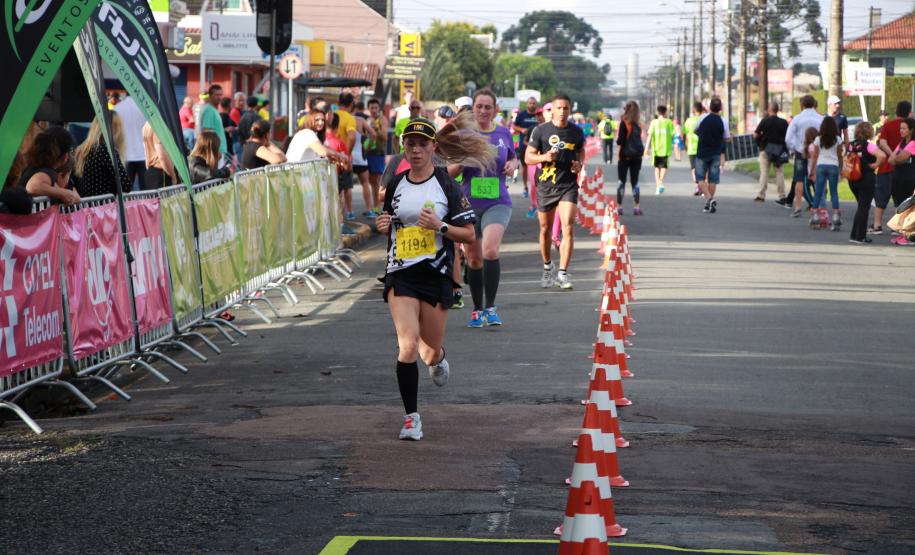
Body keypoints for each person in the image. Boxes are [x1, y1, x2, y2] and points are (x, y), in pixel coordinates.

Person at [374, 116, 492, 441]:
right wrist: (382, 225)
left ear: (433, 148)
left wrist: (439, 226)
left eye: (422, 144)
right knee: (408, 344)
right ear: (404, 147)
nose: (416, 150)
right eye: (410, 144)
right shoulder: (396, 184)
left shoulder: (446, 185)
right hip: (401, 273)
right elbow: (388, 220)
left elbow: (468, 234)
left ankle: (439, 358)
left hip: (437, 274)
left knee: (427, 351)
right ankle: (411, 418)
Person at [454, 90, 518, 327]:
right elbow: (450, 172)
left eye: (487, 107)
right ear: (473, 108)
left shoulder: (503, 133)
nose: (482, 111)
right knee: (474, 258)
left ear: (494, 109)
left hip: (497, 202)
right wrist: (463, 160)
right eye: (478, 106)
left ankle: (491, 308)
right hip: (468, 204)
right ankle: (477, 309)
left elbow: (513, 158)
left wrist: (513, 163)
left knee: (490, 250)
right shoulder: (464, 135)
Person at [526, 93, 585, 290]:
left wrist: (579, 164)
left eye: (565, 108)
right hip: (545, 185)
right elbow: (528, 158)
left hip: (568, 185)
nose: (562, 112)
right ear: (552, 110)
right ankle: (547, 266)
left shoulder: (576, 131)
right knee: (545, 229)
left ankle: (563, 273)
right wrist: (544, 157)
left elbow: (581, 150)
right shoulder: (540, 130)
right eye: (558, 108)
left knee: (568, 226)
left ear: (570, 110)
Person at [873, 101, 913, 235]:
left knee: (882, 197)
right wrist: (897, 157)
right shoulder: (908, 130)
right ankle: (898, 225)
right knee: (900, 199)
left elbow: (883, 143)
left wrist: (892, 155)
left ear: (896, 111)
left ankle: (877, 224)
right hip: (902, 170)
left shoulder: (888, 125)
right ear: (909, 112)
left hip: (888, 168)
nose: (901, 130)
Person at [17, 126, 81, 205]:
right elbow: (33, 187)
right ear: (65, 157)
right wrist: (65, 193)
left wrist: (70, 195)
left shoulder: (32, 168)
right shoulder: (47, 173)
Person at [847, 122, 887, 244]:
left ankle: (854, 234)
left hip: (853, 178)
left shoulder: (851, 145)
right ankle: (860, 236)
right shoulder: (868, 145)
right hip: (866, 179)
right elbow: (882, 155)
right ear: (869, 132)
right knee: (864, 208)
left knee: (861, 206)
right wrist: (875, 165)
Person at [73, 113, 130, 197]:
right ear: (116, 130)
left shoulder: (82, 150)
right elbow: (125, 185)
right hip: (106, 206)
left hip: (87, 205)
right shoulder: (107, 151)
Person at [784, 95, 824, 215]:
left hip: (801, 152)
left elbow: (788, 139)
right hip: (817, 153)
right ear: (814, 104)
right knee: (817, 179)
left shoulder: (797, 119)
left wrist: (795, 148)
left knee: (799, 179)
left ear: (802, 105)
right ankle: (818, 206)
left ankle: (798, 207)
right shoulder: (820, 118)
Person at [695, 96, 731, 214]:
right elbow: (726, 138)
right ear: (720, 108)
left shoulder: (702, 118)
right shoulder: (723, 121)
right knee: (713, 180)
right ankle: (709, 203)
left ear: (709, 107)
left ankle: (709, 200)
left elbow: (696, 130)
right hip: (716, 153)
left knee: (700, 179)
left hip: (702, 152)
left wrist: (703, 135)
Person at [807, 117, 843, 229]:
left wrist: (812, 171)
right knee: (834, 192)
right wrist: (840, 169)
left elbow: (815, 156)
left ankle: (815, 216)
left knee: (818, 192)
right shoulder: (838, 139)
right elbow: (839, 155)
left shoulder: (818, 139)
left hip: (821, 166)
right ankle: (836, 216)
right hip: (833, 166)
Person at [753, 102, 789, 203]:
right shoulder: (784, 122)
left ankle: (761, 195)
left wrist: (759, 140)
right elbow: (788, 136)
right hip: (779, 150)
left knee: (764, 172)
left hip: (765, 149)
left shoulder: (765, 121)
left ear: (770, 109)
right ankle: (782, 195)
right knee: (779, 172)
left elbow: (756, 134)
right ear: (778, 110)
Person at [887, 117, 915, 245]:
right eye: (900, 128)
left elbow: (899, 158)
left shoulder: (913, 143)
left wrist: (898, 157)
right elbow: (891, 160)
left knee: (908, 208)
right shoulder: (902, 143)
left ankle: (908, 236)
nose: (901, 131)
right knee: (900, 207)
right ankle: (902, 234)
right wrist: (897, 157)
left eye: (904, 128)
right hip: (898, 178)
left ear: (911, 130)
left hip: (909, 179)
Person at [615, 101, 644, 215]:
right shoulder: (638, 124)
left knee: (621, 181)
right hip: (637, 157)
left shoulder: (624, 123)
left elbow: (620, 141)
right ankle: (636, 207)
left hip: (624, 157)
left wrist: (619, 141)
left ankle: (620, 207)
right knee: (635, 182)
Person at [113, 95, 147, 190]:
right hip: (144, 154)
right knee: (147, 193)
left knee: (124, 192)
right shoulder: (145, 108)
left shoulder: (118, 108)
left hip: (124, 154)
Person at [512, 97, 540, 197]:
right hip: (524, 145)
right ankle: (525, 186)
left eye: (533, 103)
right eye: (530, 103)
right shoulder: (521, 115)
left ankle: (536, 187)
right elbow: (514, 126)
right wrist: (521, 129)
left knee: (537, 167)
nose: (532, 105)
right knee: (525, 167)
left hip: (538, 146)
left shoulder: (538, 115)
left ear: (536, 104)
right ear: (527, 104)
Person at [365, 98, 388, 212]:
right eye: (371, 108)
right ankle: (375, 207)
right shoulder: (368, 120)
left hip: (378, 153)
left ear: (379, 109)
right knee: (371, 181)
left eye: (375, 108)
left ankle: (378, 207)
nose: (373, 110)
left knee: (378, 182)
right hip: (368, 153)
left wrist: (376, 129)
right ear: (368, 109)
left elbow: (385, 137)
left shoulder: (382, 120)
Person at [645, 104, 674, 195]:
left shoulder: (654, 122)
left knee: (657, 168)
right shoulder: (669, 122)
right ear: (665, 112)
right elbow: (672, 135)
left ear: (658, 112)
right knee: (664, 167)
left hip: (656, 149)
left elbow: (649, 136)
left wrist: (646, 149)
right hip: (665, 148)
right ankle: (660, 182)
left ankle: (658, 185)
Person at [142, 122, 176, 189]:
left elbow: (145, 151)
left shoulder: (146, 125)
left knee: (154, 199)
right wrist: (173, 175)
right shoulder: (158, 126)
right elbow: (162, 156)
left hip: (151, 171)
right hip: (162, 171)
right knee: (165, 199)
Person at [683, 101, 705, 196]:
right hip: (703, 147)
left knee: (693, 168)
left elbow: (684, 133)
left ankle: (697, 186)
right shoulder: (704, 119)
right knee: (703, 167)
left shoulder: (689, 121)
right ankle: (703, 187)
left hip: (691, 147)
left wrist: (684, 144)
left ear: (694, 110)